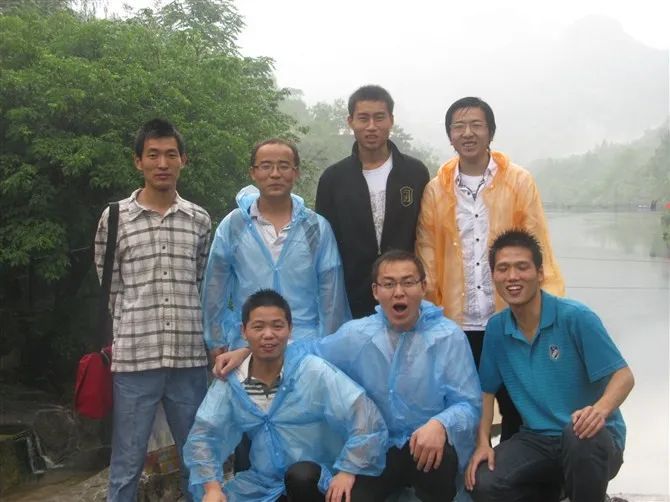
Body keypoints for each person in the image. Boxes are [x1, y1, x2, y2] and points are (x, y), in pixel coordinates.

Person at [215, 250, 481, 501]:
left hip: (425, 447)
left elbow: (469, 404)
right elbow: (308, 351)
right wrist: (248, 351)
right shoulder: (358, 335)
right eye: (389, 284)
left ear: (423, 286)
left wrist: (441, 424)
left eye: (408, 282)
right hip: (377, 451)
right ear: (375, 291)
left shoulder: (448, 336)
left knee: (440, 458)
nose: (399, 292)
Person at [416, 96, 564, 439]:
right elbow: (427, 254)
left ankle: (516, 468)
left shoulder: (519, 182)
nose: (467, 133)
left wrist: (545, 310)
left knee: (521, 405)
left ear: (491, 132)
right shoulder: (436, 190)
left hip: (511, 319)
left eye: (476, 125)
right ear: (450, 136)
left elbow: (537, 245)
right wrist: (428, 316)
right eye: (459, 127)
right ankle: (470, 470)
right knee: (461, 406)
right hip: (457, 323)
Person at [465, 229, 634, 502]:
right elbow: (486, 391)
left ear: (540, 273)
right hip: (538, 439)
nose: (512, 276)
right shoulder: (497, 328)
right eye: (503, 269)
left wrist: (599, 411)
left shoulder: (576, 318)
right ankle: (558, 493)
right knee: (484, 483)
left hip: (591, 439)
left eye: (522, 267)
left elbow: (623, 376)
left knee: (579, 436)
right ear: (493, 276)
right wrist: (483, 443)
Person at [94, 119, 211, 501]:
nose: (162, 163)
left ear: (183, 160)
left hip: (188, 359)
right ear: (138, 161)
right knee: (126, 463)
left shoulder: (199, 219)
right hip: (134, 361)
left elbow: (201, 282)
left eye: (171, 155)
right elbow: (111, 286)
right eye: (153, 155)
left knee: (197, 458)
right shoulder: (115, 218)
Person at [184, 289, 388, 502]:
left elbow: (363, 416)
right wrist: (212, 488)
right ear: (244, 331)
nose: (268, 335)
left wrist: (347, 471)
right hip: (264, 483)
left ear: (290, 329)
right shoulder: (233, 381)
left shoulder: (312, 371)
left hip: (319, 479)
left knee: (301, 476)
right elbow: (204, 436)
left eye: (277, 326)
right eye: (258, 327)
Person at [202, 138, 350, 354]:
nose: (275, 174)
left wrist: (329, 347)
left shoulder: (315, 228)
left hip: (306, 348)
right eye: (266, 166)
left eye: (284, 166)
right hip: (248, 347)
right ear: (253, 173)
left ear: (296, 172)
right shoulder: (234, 225)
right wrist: (216, 340)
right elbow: (215, 289)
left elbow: (332, 296)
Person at [316, 85, 430, 318]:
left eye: (379, 118)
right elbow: (324, 242)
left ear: (391, 120)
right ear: (350, 121)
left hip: (404, 293)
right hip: (351, 295)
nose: (371, 126)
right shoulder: (333, 178)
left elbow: (425, 233)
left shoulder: (414, 173)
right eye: (363, 118)